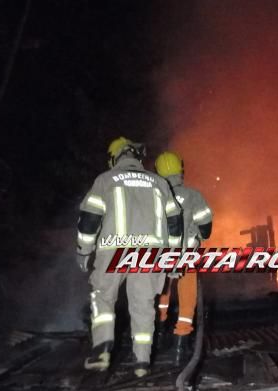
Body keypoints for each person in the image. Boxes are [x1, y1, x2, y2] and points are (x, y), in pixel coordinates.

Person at [76, 137, 182, 377]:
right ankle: (142, 362)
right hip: (149, 254)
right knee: (143, 306)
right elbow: (174, 223)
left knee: (103, 298)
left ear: (115, 157)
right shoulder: (159, 183)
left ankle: (102, 349)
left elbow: (90, 219)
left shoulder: (105, 180)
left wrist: (83, 251)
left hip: (113, 251)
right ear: (137, 157)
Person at [154, 150, 213, 365]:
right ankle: (180, 345)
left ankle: (158, 335)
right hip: (186, 256)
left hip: (160, 256)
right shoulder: (192, 195)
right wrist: (200, 235)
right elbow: (205, 225)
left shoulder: (153, 196)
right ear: (180, 170)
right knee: (187, 297)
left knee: (161, 292)